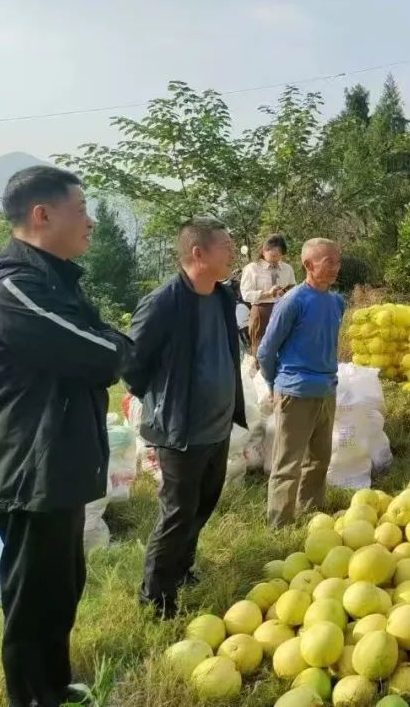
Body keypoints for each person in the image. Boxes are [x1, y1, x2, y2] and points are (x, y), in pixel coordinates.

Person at [0, 166, 130, 707]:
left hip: (62, 461)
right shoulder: (13, 286)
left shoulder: (56, 279)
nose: (91, 222)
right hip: (32, 463)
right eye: (81, 210)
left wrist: (108, 347)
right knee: (33, 599)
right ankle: (33, 696)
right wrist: (109, 349)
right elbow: (102, 352)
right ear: (42, 214)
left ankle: (54, 685)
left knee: (61, 584)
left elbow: (104, 344)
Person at [123, 218, 246, 618]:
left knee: (202, 505)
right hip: (181, 430)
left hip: (217, 424)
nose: (232, 252)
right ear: (199, 253)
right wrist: (162, 402)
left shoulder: (224, 297)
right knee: (177, 513)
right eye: (225, 246)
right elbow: (132, 362)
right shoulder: (165, 302)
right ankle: (156, 597)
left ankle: (181, 569)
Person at [258, 239, 345, 528]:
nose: (335, 267)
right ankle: (279, 524)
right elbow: (266, 350)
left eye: (337, 261)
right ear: (308, 265)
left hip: (326, 391)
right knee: (287, 463)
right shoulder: (293, 301)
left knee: (320, 459)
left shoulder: (336, 302)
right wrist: (274, 383)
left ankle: (312, 512)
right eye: (328, 262)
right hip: (294, 392)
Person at [240, 234, 296, 361]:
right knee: (261, 349)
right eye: (273, 255)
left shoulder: (287, 269)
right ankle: (261, 377)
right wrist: (267, 294)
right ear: (263, 251)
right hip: (262, 311)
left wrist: (286, 291)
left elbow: (294, 288)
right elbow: (246, 294)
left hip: (284, 311)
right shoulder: (252, 268)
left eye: (279, 255)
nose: (276, 259)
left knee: (285, 346)